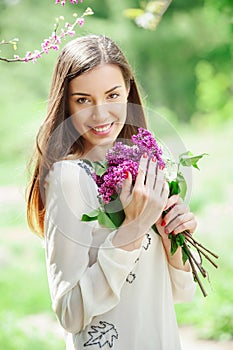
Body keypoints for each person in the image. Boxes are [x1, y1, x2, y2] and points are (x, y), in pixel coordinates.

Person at [26, 34, 197, 350]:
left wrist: (175, 234)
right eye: (83, 100)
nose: (101, 115)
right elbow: (69, 312)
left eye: (112, 95)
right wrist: (132, 230)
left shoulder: (146, 163)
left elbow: (181, 293)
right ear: (65, 102)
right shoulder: (69, 178)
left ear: (129, 91)